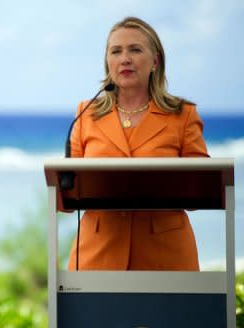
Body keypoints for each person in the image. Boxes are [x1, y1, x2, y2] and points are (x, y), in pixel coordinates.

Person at [67, 17, 209, 271]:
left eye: (135, 49)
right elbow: (68, 194)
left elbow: (202, 191)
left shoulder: (183, 114)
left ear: (155, 61)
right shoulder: (85, 113)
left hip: (166, 256)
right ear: (108, 62)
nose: (125, 58)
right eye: (116, 51)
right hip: (98, 256)